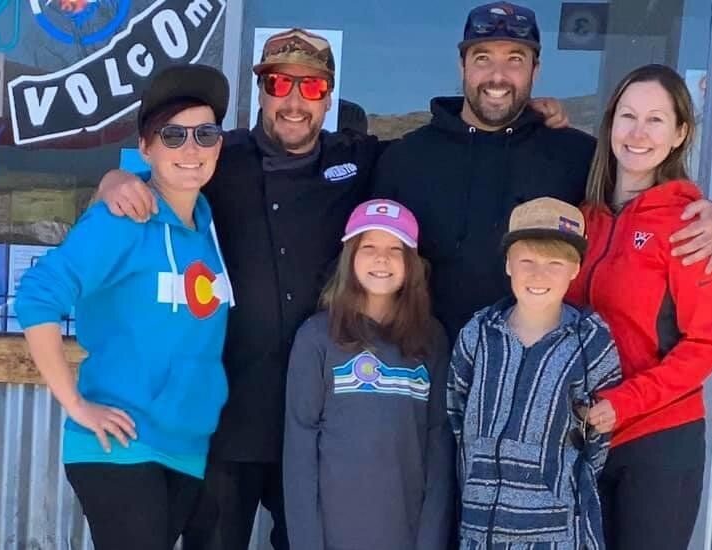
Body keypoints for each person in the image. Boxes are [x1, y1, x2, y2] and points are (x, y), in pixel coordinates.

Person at [93, 27, 569, 550]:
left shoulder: (358, 159)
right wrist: (113, 181)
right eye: (280, 84)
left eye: (313, 87)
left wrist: (522, 120)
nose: (295, 102)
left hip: (324, 411)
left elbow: (448, 142)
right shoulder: (217, 157)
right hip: (232, 413)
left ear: (329, 98)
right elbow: (155, 173)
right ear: (261, 91)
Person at [373, 1, 712, 341]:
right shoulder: (407, 159)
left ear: (536, 70)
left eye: (515, 60)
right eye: (482, 58)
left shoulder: (575, 156)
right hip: (426, 369)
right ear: (462, 66)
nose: (498, 76)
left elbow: (643, 198)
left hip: (540, 372)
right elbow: (364, 255)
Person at [14, 64, 234, 550]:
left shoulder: (209, 228)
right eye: (173, 135)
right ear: (145, 148)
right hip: (121, 445)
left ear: (220, 145)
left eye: (205, 134)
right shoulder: (122, 220)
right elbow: (36, 296)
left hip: (186, 446)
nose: (191, 149)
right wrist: (76, 404)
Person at [565, 64, 712, 550]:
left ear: (680, 134)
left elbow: (703, 345)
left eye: (656, 120)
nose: (638, 133)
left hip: (657, 440)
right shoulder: (583, 219)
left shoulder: (689, 225)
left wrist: (624, 403)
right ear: (610, 124)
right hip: (583, 437)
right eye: (628, 116)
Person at [448, 197, 622, 550]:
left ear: (575, 269)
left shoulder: (590, 342)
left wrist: (554, 489)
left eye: (555, 263)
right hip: (480, 529)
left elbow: (599, 438)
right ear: (508, 264)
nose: (538, 275)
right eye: (527, 260)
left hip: (555, 533)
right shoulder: (478, 334)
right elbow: (456, 411)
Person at [284, 199, 454, 549]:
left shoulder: (431, 338)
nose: (382, 259)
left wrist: (431, 540)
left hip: (405, 532)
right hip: (334, 533)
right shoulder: (317, 337)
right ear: (350, 257)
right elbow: (299, 450)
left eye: (395, 249)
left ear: (412, 263)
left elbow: (438, 446)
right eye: (369, 247)